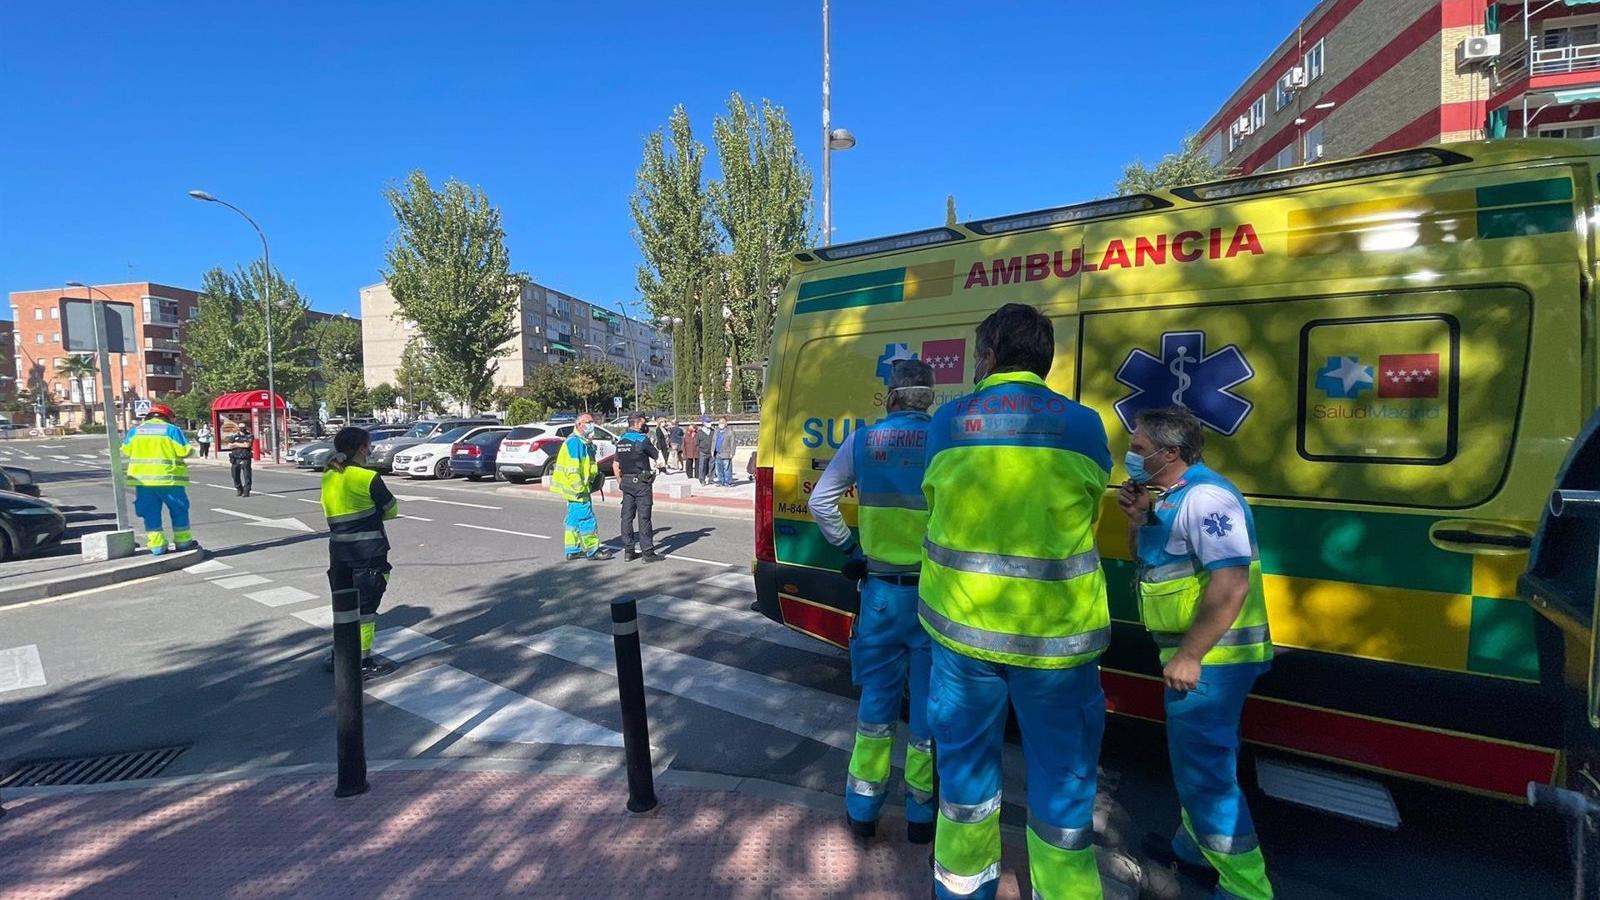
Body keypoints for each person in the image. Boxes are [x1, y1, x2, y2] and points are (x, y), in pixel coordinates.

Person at [921, 303, 1112, 900]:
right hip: (1057, 646)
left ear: (991, 354)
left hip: (961, 639)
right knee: (1063, 791)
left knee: (965, 784)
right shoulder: (1084, 426)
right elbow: (1091, 511)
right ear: (1045, 359)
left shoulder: (948, 422)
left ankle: (960, 889)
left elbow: (935, 503)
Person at [1116, 407, 1274, 900]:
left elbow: (1231, 584)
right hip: (1197, 656)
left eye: (1140, 450)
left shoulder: (1206, 499)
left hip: (1213, 661)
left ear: (1171, 454)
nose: (1132, 457)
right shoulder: (1174, 496)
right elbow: (1148, 558)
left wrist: (1190, 655)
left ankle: (1247, 890)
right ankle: (1192, 850)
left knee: (1206, 774)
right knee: (1197, 763)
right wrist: (1140, 518)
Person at [810, 359, 938, 844]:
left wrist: (851, 551)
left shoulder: (864, 442)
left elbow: (822, 502)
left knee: (877, 710)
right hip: (934, 596)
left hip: (881, 596)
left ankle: (863, 812)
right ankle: (922, 819)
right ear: (930, 398)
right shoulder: (945, 440)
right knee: (926, 712)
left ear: (891, 397)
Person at [320, 426, 399, 681]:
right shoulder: (367, 478)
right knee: (365, 609)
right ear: (362, 448)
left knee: (343, 608)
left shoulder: (329, 475)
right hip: (368, 552)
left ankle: (339, 655)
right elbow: (391, 509)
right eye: (368, 444)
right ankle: (362, 661)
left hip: (339, 551)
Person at [122, 403, 198, 556]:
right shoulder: (172, 430)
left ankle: (157, 546)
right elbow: (184, 451)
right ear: (168, 418)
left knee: (150, 512)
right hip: (168, 478)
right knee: (178, 509)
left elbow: (125, 450)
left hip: (143, 481)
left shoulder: (134, 431)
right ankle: (183, 542)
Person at [551, 412, 611, 561]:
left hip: (575, 489)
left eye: (592, 422)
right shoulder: (574, 443)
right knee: (587, 519)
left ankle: (572, 549)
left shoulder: (581, 442)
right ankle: (593, 550)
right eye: (588, 422)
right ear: (579, 425)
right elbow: (573, 470)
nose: (592, 425)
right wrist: (580, 489)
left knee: (572, 520)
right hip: (578, 489)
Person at [615, 412, 664, 562]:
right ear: (637, 423)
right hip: (641, 483)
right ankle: (647, 553)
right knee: (644, 517)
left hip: (626, 482)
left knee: (626, 517)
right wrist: (656, 471)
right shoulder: (642, 440)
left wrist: (621, 483)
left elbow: (616, 465)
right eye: (643, 422)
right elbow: (658, 458)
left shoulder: (621, 441)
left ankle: (628, 551)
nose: (645, 425)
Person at [226, 423, 255, 497]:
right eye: (240, 427)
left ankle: (246, 490)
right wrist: (239, 444)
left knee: (247, 475)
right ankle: (239, 488)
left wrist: (235, 444)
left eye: (243, 427)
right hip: (235, 458)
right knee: (234, 474)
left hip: (245, 458)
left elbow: (247, 445)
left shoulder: (249, 435)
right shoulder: (234, 436)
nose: (242, 428)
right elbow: (229, 445)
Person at [714, 417, 738, 486]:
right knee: (719, 470)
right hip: (717, 453)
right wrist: (712, 451)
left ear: (726, 423)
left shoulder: (730, 432)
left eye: (722, 422)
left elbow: (733, 443)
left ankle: (728, 482)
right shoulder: (717, 431)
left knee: (727, 469)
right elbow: (714, 441)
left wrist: (732, 453)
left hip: (726, 453)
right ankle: (721, 481)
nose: (721, 424)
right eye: (719, 423)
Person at [695, 419, 714, 484]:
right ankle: (702, 479)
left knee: (712, 466)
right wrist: (700, 450)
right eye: (708, 422)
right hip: (703, 452)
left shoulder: (712, 431)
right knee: (702, 466)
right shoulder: (699, 432)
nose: (710, 423)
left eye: (710, 422)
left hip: (711, 451)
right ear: (703, 423)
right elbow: (696, 443)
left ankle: (711, 479)